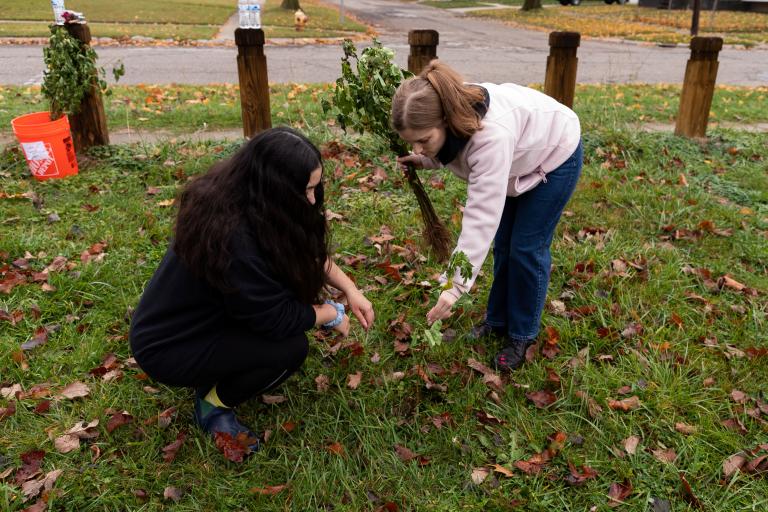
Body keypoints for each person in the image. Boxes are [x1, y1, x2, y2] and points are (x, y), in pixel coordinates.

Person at [129, 127, 374, 450]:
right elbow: (278, 318)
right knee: (289, 349)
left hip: (206, 320)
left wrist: (349, 287)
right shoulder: (235, 240)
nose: (313, 199)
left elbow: (301, 251)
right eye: (306, 190)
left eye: (316, 187)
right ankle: (213, 403)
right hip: (169, 347)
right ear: (277, 189)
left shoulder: (246, 200)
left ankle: (220, 365)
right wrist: (330, 313)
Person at [392, 61, 582, 371]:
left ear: (445, 120)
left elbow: (481, 218)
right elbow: (453, 150)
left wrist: (454, 285)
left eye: (423, 140)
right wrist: (423, 159)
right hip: (519, 158)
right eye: (412, 141)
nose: (418, 147)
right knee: (505, 246)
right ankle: (497, 321)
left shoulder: (490, 137)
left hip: (556, 154)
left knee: (526, 248)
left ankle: (522, 334)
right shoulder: (451, 115)